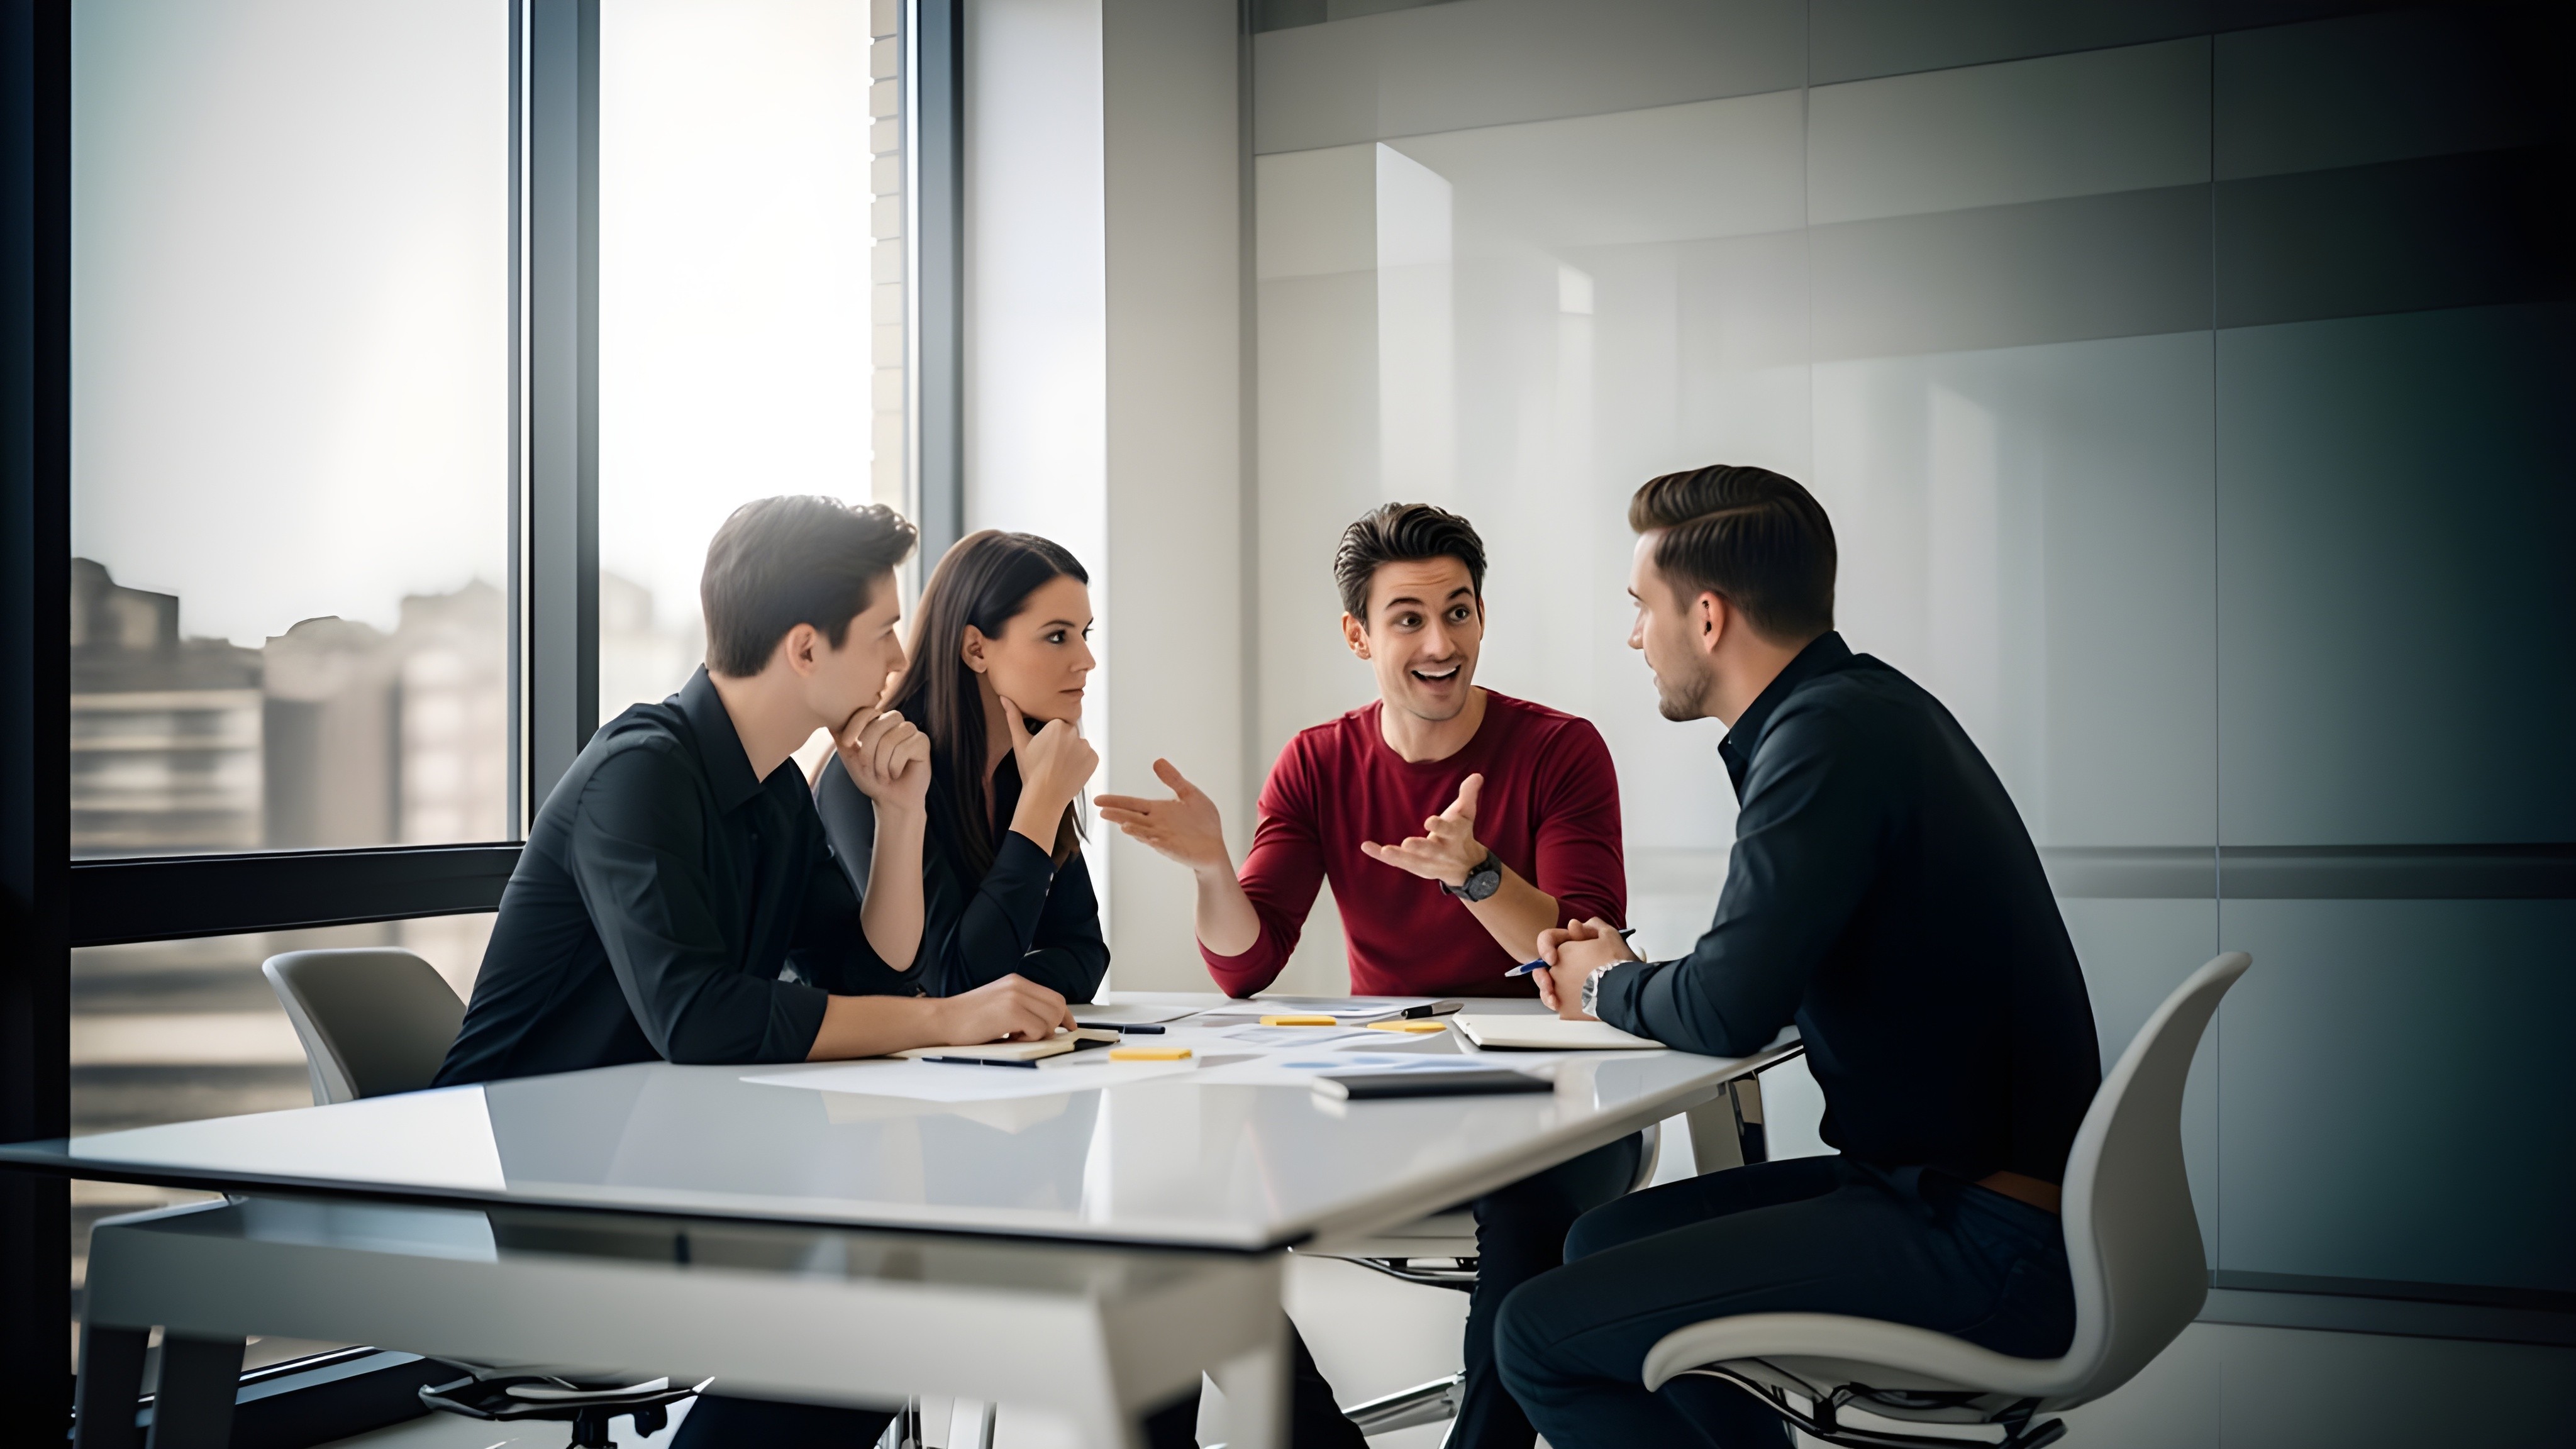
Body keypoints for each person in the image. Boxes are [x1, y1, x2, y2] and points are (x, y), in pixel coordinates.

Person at [436, 496, 1078, 1448]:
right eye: (885, 632)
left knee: (901, 1280)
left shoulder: (776, 787)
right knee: (873, 1304)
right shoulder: (641, 772)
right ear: (807, 649)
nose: (902, 660)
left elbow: (873, 975)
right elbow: (698, 1019)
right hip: (529, 1191)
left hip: (651, 1161)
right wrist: (948, 1022)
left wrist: (901, 815)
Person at [1492, 465, 2102, 1448]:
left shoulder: (1821, 740)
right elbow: (1755, 972)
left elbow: (1732, 1006)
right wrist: (1642, 979)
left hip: (1983, 1236)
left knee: (1539, 1335)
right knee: (1601, 1240)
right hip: (1960, 1194)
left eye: (1641, 608)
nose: (1633, 637)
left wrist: (1604, 984)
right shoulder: (1859, 711)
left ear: (1708, 617)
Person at [1099, 503, 1635, 1449]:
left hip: (1556, 1112)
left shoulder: (1560, 750)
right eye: (1408, 618)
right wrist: (1212, 869)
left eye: (1459, 612)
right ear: (1359, 635)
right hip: (1387, 1110)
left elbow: (1583, 953)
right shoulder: (1318, 762)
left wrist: (1477, 875)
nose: (1441, 643)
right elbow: (1247, 964)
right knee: (1166, 1226)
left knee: (1524, 1211)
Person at [815, 530, 1108, 1003]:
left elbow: (1086, 956)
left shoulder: (1029, 765)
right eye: (1057, 636)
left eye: (1084, 634)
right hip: (852, 1072)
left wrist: (1005, 981)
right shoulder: (880, 771)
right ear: (976, 649)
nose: (1087, 661)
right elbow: (954, 983)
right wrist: (1041, 805)